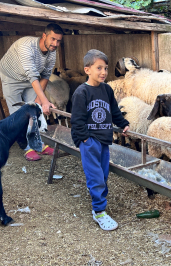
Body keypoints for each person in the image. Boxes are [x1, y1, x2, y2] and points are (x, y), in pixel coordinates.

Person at [71, 49, 130, 231]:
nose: (103, 72)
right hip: (89, 141)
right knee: (95, 176)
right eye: (99, 68)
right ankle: (99, 212)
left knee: (103, 175)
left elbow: (114, 111)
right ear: (87, 70)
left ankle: (99, 205)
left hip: (104, 139)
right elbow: (77, 120)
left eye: (105, 68)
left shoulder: (107, 90)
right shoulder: (81, 93)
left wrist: (123, 124)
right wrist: (85, 139)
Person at [0, 23, 63, 161]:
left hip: (30, 80)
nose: (55, 44)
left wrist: (40, 100)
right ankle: (27, 147)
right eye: (53, 39)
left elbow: (46, 75)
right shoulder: (26, 46)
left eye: (58, 41)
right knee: (17, 113)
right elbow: (32, 74)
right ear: (44, 35)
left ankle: (39, 144)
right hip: (11, 78)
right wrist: (45, 101)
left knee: (34, 111)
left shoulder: (52, 52)